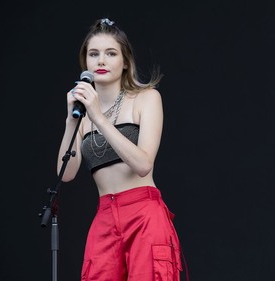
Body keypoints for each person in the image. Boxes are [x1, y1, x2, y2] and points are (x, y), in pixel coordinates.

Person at [57, 18, 184, 281]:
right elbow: (64, 174)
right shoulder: (83, 115)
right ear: (86, 64)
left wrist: (99, 118)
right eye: (94, 54)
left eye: (110, 53)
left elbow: (143, 164)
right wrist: (72, 121)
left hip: (144, 214)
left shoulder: (146, 98)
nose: (101, 61)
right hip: (104, 217)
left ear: (125, 61)